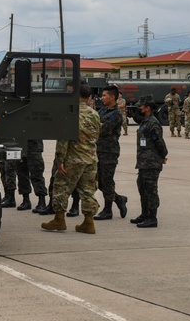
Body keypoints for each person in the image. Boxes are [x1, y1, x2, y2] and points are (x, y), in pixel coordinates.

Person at [42, 85, 100, 233]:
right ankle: (89, 222)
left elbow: (63, 139)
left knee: (61, 187)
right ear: (88, 98)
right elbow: (96, 136)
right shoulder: (94, 114)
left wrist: (60, 160)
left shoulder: (70, 113)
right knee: (88, 190)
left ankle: (59, 220)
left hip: (73, 159)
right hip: (91, 158)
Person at [131, 96, 168, 228]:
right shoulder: (145, 121)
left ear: (148, 108)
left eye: (141, 107)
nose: (139, 109)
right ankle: (144, 214)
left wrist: (163, 155)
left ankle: (152, 218)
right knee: (142, 188)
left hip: (151, 163)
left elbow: (159, 141)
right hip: (143, 162)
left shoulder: (153, 123)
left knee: (151, 190)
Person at [94, 86, 129, 220]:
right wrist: (100, 125)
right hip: (98, 150)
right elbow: (95, 126)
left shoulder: (116, 114)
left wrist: (101, 126)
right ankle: (119, 199)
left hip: (109, 151)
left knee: (107, 181)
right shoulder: (102, 111)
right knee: (100, 183)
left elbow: (102, 130)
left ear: (112, 97)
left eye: (104, 95)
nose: (102, 98)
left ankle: (108, 210)